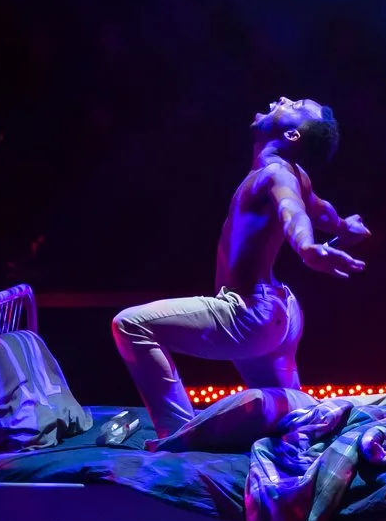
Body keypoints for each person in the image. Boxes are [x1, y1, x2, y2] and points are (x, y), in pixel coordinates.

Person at [112, 96, 370, 436]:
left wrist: (306, 246)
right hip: (278, 312)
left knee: (130, 325)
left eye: (294, 105)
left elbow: (293, 211)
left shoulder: (276, 173)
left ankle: (176, 436)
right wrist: (342, 226)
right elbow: (320, 210)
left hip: (249, 312)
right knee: (295, 423)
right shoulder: (292, 174)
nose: (283, 99)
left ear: (292, 135)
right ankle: (384, 406)